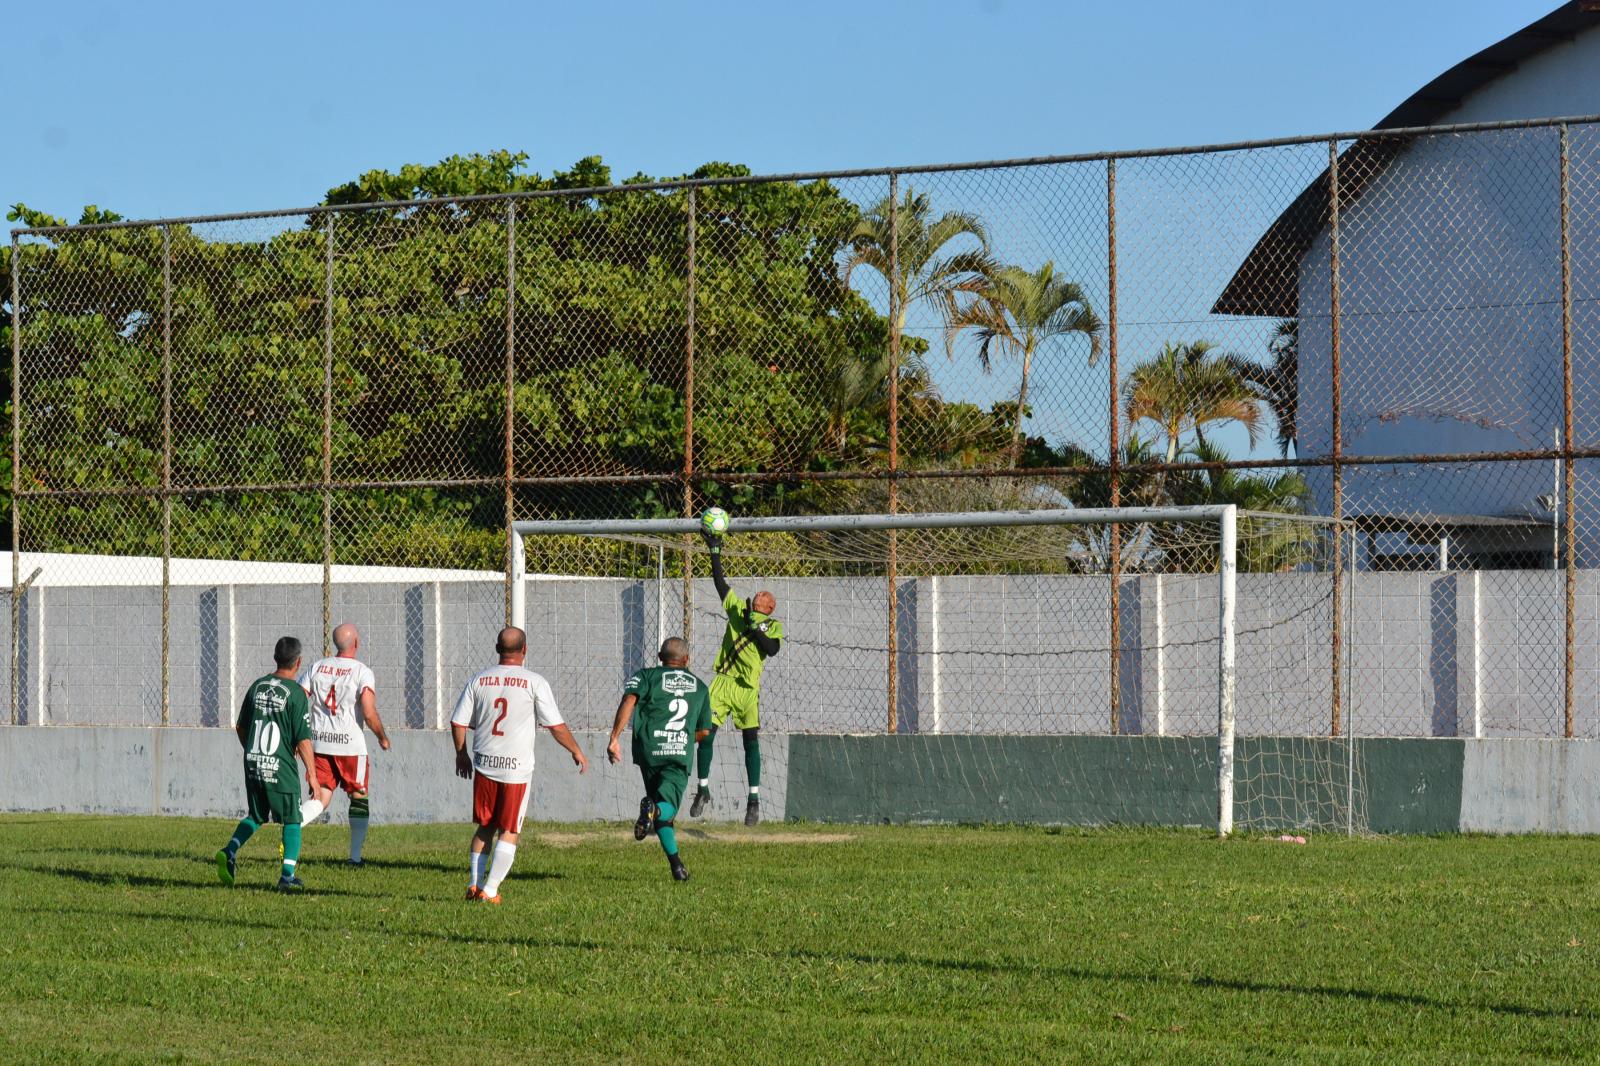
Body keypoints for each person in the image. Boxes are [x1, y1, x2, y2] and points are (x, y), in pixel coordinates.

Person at [451, 626, 588, 903]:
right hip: (515, 769)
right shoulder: (534, 682)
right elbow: (555, 725)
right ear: (524, 650)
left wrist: (462, 753)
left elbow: (458, 721)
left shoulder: (479, 679)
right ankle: (490, 892)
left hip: (485, 764)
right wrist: (575, 750)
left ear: (497, 648)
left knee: (485, 827)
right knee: (510, 829)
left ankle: (474, 885)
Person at [215, 636, 326, 892]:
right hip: (281, 766)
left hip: (253, 762)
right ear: (298, 662)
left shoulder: (256, 686)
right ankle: (287, 876)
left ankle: (230, 850)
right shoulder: (296, 694)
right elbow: (303, 739)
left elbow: (241, 727)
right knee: (292, 819)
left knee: (256, 815)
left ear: (275, 657)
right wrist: (312, 774)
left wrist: (251, 751)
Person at [690, 525, 782, 826]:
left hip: (747, 690)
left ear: (769, 608)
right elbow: (720, 582)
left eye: (764, 596)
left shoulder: (771, 624)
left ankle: (753, 800)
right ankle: (702, 789)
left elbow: (771, 649)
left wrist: (753, 625)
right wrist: (715, 550)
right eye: (758, 592)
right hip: (723, 683)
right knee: (706, 735)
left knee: (750, 742)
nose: (760, 593)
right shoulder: (736, 610)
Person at [606, 637, 711, 881]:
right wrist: (683, 739)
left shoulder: (645, 676)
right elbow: (705, 731)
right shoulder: (700, 686)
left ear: (660, 657)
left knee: (661, 811)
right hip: (676, 755)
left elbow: (629, 700)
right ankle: (652, 810)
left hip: (649, 751)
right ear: (687, 660)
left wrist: (614, 737)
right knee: (666, 807)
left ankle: (677, 867)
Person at [298, 622, 391, 866]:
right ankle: (355, 857)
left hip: (319, 744)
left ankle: (293, 828)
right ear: (357, 644)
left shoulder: (317, 666)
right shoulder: (362, 671)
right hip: (350, 747)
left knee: (322, 795)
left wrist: (296, 736)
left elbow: (298, 700)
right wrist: (382, 736)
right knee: (359, 796)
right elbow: (369, 713)